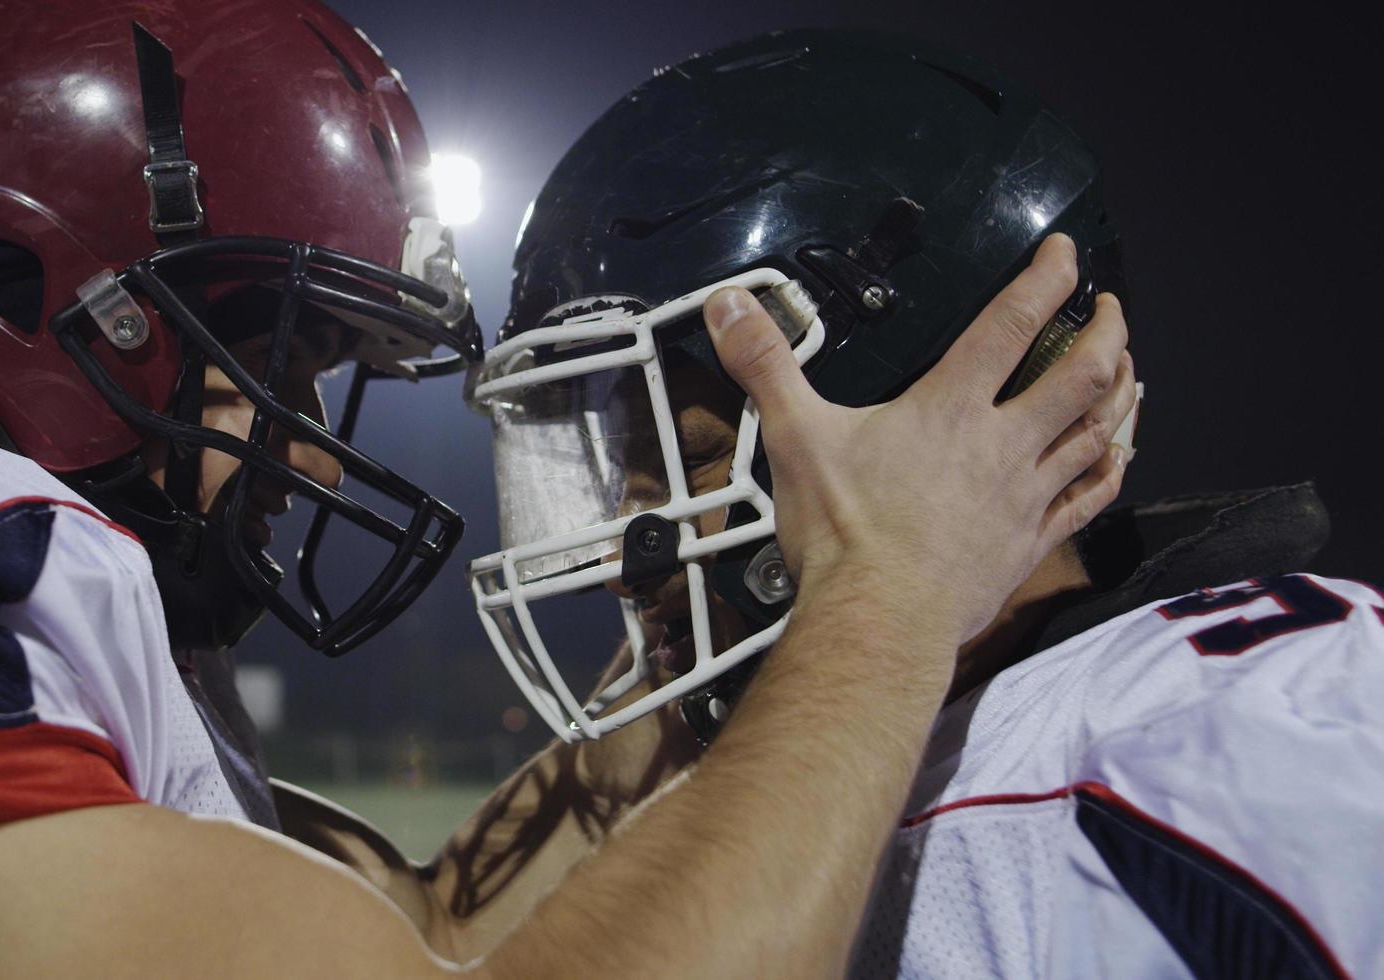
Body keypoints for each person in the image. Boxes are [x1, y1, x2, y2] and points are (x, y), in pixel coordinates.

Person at [0, 8, 1126, 980]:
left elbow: (434, 930)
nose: (305, 447)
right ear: (44, 302)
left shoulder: (32, 642)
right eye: (273, 365)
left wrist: (726, 614)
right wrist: (890, 601)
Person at [467, 29, 1379, 978]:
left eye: (694, 461)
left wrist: (874, 587)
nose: (624, 556)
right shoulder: (863, 746)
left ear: (930, 418)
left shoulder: (1215, 755)